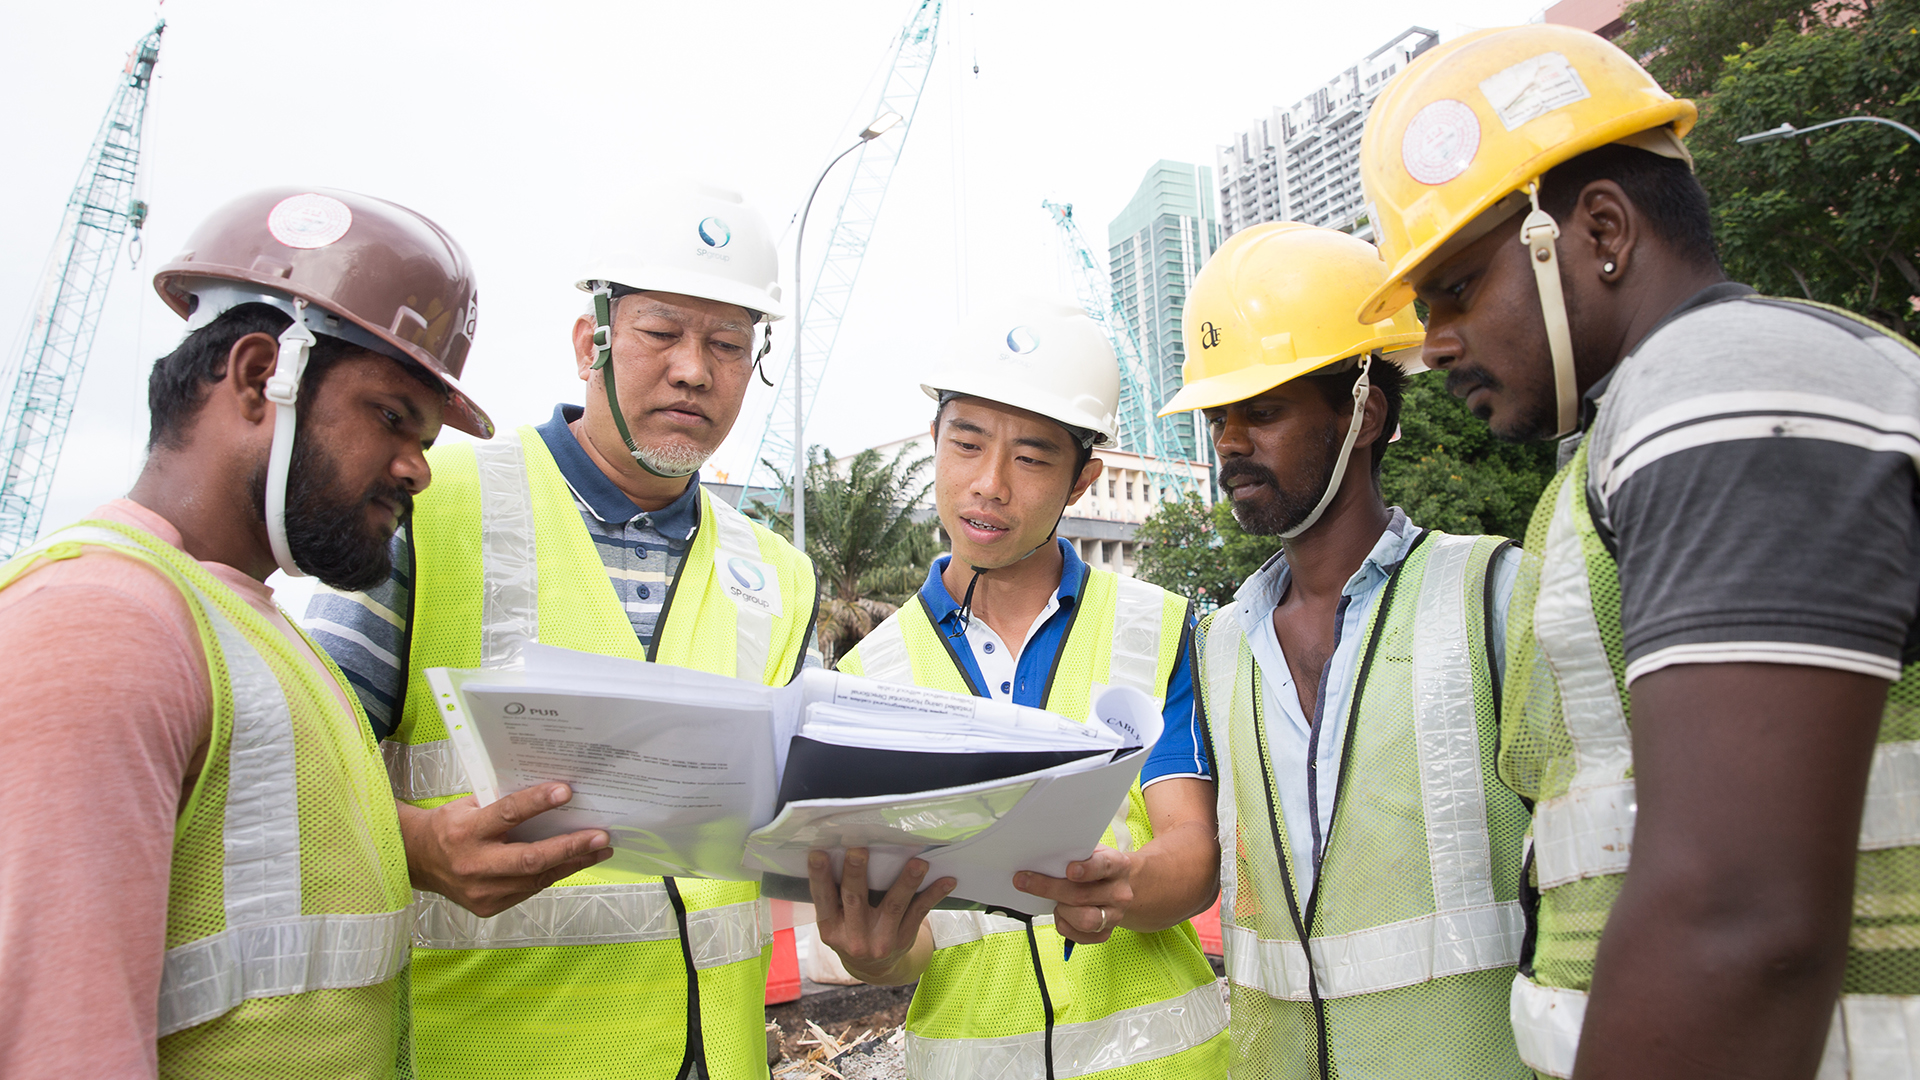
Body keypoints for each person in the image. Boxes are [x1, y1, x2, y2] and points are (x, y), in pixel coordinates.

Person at [1356, 24, 1920, 1079]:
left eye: (1459, 286)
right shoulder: (1626, 437)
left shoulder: (1727, 383)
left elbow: (1737, 918)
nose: (1431, 343)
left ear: (1602, 229)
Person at [0, 187, 606, 1078]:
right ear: (258, 378)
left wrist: (426, 847)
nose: (417, 469)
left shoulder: (251, 628)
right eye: (392, 419)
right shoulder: (103, 628)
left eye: (429, 439)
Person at [307, 181, 819, 1080]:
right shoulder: (429, 506)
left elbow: (801, 816)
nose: (695, 370)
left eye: (729, 344)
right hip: (488, 1052)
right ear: (594, 340)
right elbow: (296, 776)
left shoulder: (779, 576)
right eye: (663, 333)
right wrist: (421, 848)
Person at [809, 297, 1229, 1079]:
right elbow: (905, 940)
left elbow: (1192, 852)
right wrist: (874, 953)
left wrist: (1127, 884)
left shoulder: (1157, 626)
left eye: (1033, 459)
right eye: (966, 444)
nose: (990, 485)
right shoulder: (872, 676)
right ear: (933, 443)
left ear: (1083, 480)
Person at [1165, 221, 1533, 1078]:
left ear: (1363, 411)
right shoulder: (1222, 647)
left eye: (1262, 410)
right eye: (1220, 415)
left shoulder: (1491, 596)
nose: (1227, 441)